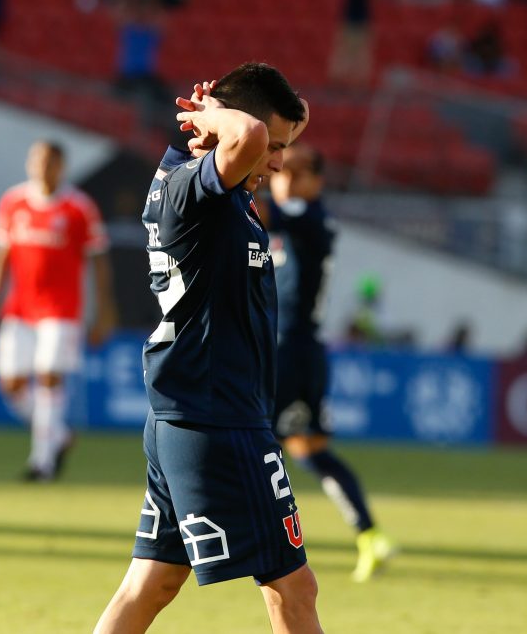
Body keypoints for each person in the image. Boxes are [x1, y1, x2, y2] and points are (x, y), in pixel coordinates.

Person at [94, 63, 322, 633]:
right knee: (293, 588)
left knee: (151, 584)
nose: (276, 161)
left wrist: (257, 117)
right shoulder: (191, 188)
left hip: (193, 413)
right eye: (273, 147)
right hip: (218, 420)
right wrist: (220, 117)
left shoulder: (216, 190)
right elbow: (245, 137)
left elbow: (259, 130)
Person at [259, 145, 396, 583]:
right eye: (282, 171)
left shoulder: (308, 218)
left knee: (256, 444)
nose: (284, 180)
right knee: (310, 450)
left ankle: (264, 543)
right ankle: (370, 535)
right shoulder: (303, 221)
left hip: (288, 354)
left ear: (317, 181)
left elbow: (258, 212)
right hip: (305, 351)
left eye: (296, 173)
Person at [0, 141, 116, 481]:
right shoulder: (14, 202)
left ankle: (42, 462)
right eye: (37, 160)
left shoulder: (79, 207)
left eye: (50, 162)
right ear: (29, 164)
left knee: (49, 375)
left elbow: (98, 263)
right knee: (11, 383)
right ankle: (59, 435)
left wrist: (105, 310)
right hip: (20, 308)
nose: (42, 167)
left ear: (61, 166)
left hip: (61, 309)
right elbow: (1, 257)